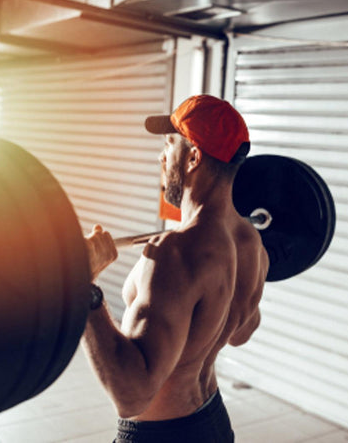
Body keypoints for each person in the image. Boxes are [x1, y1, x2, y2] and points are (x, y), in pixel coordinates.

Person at [82, 94, 269, 442]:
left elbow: (132, 396)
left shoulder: (175, 253)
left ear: (193, 157)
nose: (161, 156)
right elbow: (241, 332)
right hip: (213, 421)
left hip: (161, 433)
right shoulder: (251, 242)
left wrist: (85, 289)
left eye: (169, 145)